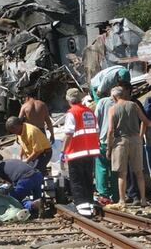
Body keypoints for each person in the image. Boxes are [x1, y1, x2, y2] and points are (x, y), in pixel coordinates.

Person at [107, 86, 151, 207]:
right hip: (136, 140)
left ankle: (122, 201)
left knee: (122, 173)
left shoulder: (112, 109)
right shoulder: (134, 105)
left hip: (121, 142)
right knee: (139, 172)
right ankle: (144, 200)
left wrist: (109, 148)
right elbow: (145, 121)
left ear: (114, 97)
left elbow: (110, 130)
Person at [60, 88, 100, 217]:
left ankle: (82, 207)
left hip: (75, 152)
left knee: (77, 180)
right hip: (89, 152)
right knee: (88, 179)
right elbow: (96, 131)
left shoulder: (72, 113)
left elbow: (69, 134)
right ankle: (89, 203)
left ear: (68, 100)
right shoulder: (89, 112)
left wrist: (63, 151)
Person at [94, 95, 118, 205]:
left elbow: (96, 120)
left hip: (103, 141)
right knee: (115, 169)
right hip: (118, 142)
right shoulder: (125, 104)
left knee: (101, 167)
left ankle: (104, 195)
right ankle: (116, 195)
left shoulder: (102, 102)